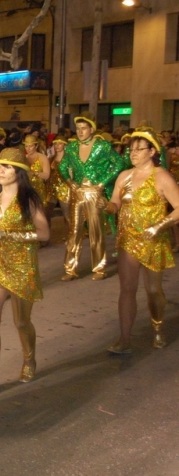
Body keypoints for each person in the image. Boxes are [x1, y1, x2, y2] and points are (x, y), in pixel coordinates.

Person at [104, 131, 179, 353]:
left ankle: (157, 327)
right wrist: (104, 205)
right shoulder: (124, 176)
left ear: (152, 151)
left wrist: (158, 226)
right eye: (131, 149)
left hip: (154, 240)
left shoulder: (162, 176)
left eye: (139, 149)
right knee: (127, 289)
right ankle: (125, 339)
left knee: (153, 290)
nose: (133, 153)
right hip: (128, 239)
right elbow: (115, 204)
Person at [0, 148, 49, 391]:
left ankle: (29, 358)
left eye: (7, 167)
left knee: (21, 321)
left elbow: (44, 233)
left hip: (23, 265)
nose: (1, 171)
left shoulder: (28, 199)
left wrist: (12, 235)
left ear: (18, 172)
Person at [59, 112, 126, 281]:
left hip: (95, 193)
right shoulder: (71, 147)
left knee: (96, 230)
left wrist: (103, 183)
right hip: (78, 193)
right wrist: (70, 182)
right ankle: (70, 269)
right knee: (74, 231)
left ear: (92, 129)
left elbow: (119, 163)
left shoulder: (102, 146)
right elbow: (62, 166)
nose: (80, 131)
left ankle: (99, 267)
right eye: (78, 128)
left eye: (84, 128)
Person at [46, 135, 71, 241]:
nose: (57, 145)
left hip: (64, 188)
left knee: (67, 214)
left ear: (64, 145)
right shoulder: (51, 158)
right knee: (47, 212)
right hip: (52, 188)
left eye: (60, 143)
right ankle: (46, 235)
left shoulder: (68, 159)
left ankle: (71, 236)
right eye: (55, 143)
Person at [23, 134, 51, 203]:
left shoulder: (42, 158)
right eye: (26, 146)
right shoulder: (23, 158)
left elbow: (47, 175)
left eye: (30, 146)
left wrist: (34, 173)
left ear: (36, 146)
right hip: (26, 190)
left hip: (39, 190)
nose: (28, 149)